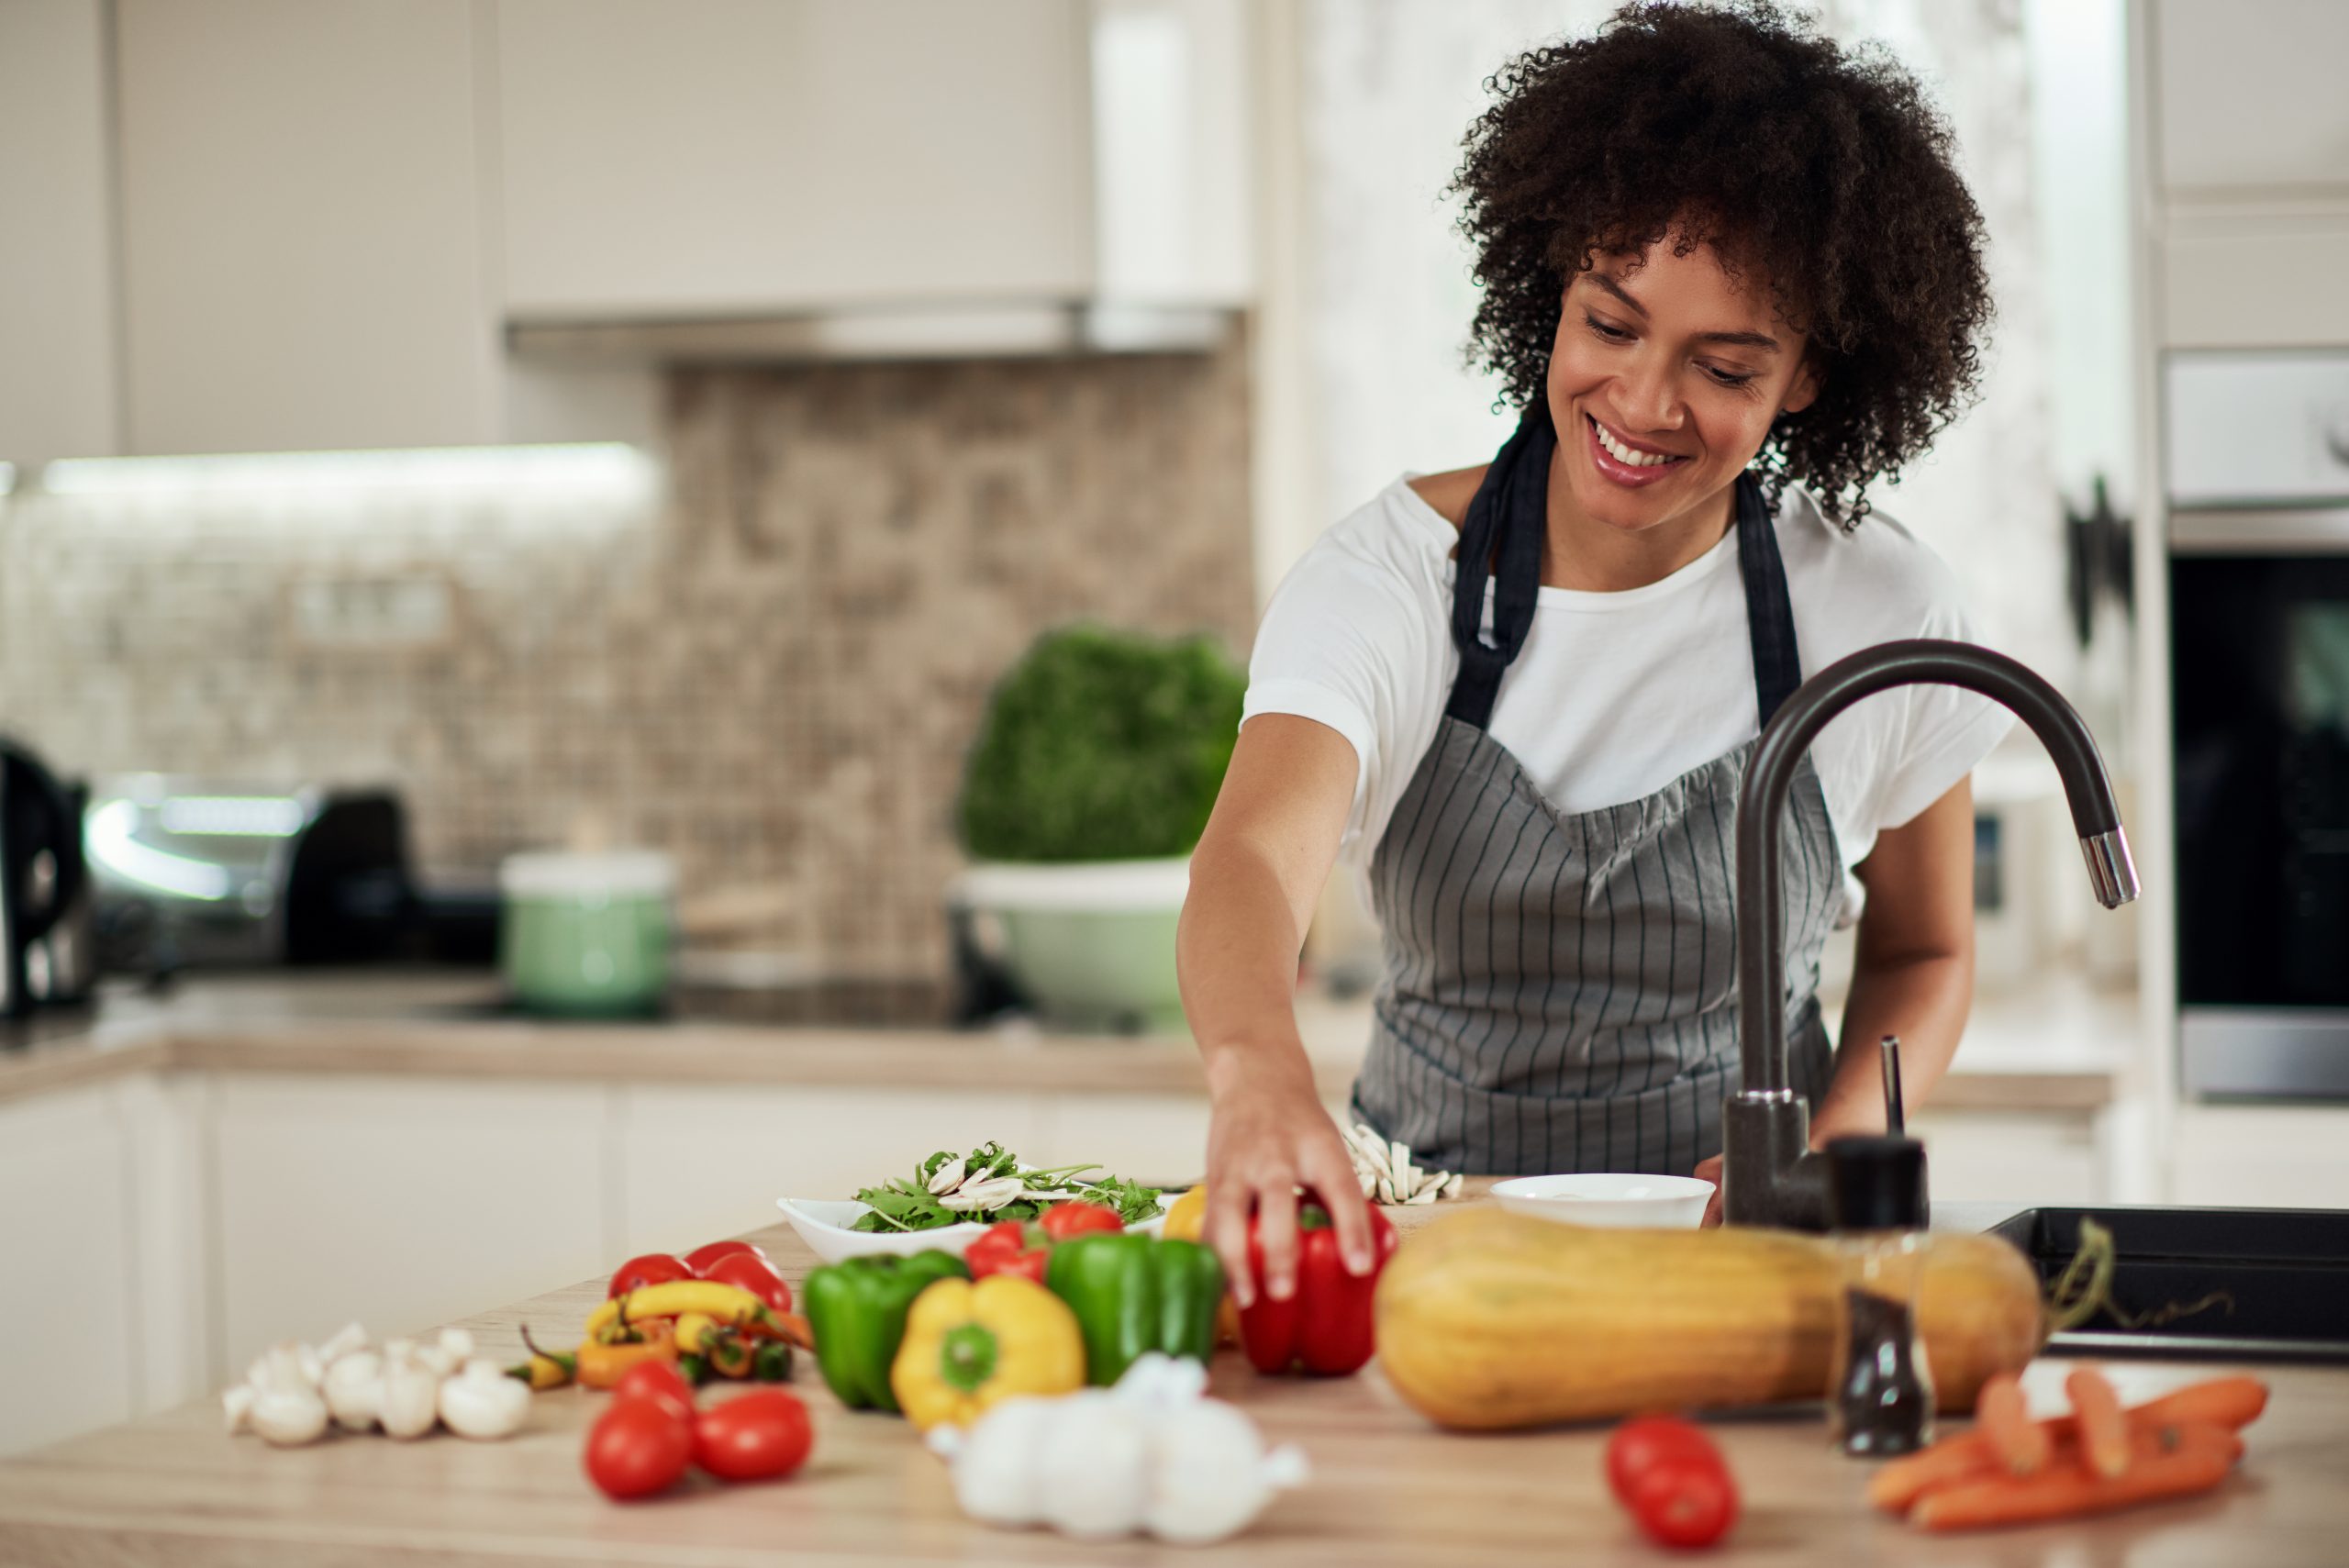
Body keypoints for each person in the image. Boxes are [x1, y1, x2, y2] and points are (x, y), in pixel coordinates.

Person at [1181, 1, 2012, 1303]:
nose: (1642, 404)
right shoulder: (1391, 580)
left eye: (1725, 365)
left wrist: (1840, 1148)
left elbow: (1925, 952)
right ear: (1550, 290)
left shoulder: (1882, 604)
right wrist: (1255, 1073)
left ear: (1805, 376)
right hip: (1424, 1262)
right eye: (1610, 326)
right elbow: (1247, 863)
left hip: (1743, 1270)